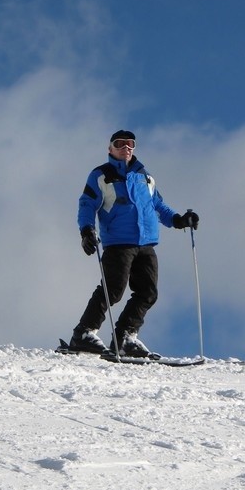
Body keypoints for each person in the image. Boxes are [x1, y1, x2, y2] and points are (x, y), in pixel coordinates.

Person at [69, 129, 199, 358]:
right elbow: (87, 204)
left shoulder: (145, 177)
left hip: (146, 243)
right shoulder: (102, 175)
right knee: (113, 290)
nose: (126, 147)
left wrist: (179, 220)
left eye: (130, 144)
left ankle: (125, 338)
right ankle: (84, 333)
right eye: (120, 144)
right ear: (110, 149)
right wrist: (87, 230)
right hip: (119, 242)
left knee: (148, 292)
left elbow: (158, 206)